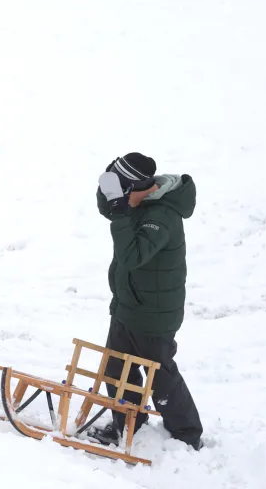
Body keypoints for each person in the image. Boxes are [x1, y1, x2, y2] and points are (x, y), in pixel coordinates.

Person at [91, 152, 203, 451]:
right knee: (116, 370)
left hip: (154, 313)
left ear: (134, 190)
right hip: (128, 305)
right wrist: (112, 193)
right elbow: (108, 207)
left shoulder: (161, 216)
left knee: (160, 376)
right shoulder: (138, 203)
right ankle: (130, 424)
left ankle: (187, 435)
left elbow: (132, 257)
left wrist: (120, 212)